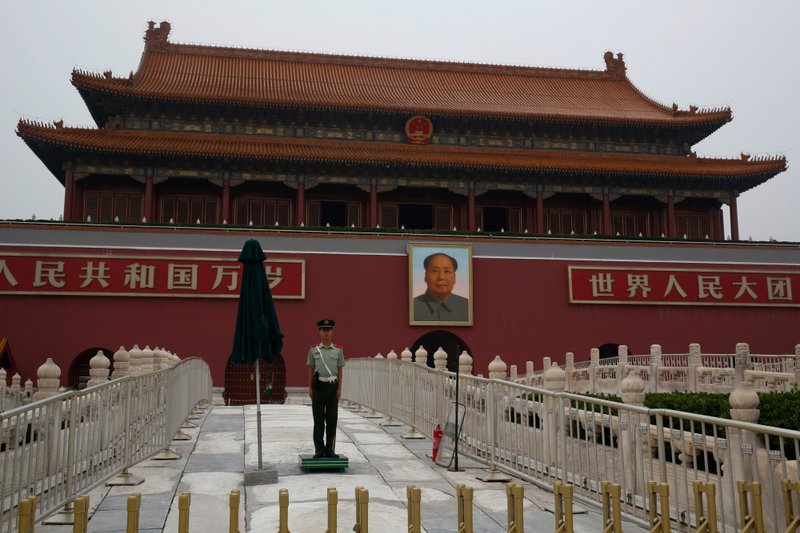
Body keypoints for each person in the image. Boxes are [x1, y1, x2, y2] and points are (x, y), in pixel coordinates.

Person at [307, 318, 345, 459]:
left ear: (332, 332)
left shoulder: (338, 350)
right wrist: (310, 388)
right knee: (318, 420)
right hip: (318, 387)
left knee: (332, 419)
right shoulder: (313, 350)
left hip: (332, 387)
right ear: (319, 332)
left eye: (328, 330)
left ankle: (330, 449)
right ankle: (319, 449)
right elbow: (310, 369)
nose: (326, 333)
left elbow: (340, 371)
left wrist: (339, 389)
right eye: (323, 330)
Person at [413, 252, 469, 322]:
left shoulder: (468, 307)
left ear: (454, 277)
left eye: (447, 271)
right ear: (426, 276)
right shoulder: (412, 307)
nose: (441, 277)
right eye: (435, 271)